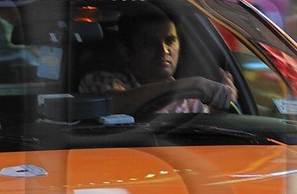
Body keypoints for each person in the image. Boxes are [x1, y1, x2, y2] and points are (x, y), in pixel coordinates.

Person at [78, 10, 235, 115]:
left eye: (170, 41)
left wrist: (220, 105)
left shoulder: (191, 99)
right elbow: (117, 103)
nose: (163, 50)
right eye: (149, 43)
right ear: (127, 52)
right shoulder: (101, 81)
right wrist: (190, 85)